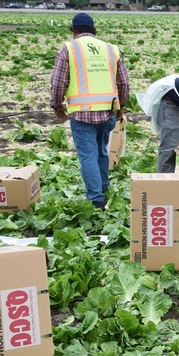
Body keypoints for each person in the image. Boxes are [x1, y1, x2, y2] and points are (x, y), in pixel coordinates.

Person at [49, 13, 130, 210]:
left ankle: (96, 199)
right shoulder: (111, 49)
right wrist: (121, 107)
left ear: (73, 30)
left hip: (82, 114)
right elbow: (124, 82)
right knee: (102, 152)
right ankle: (103, 187)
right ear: (94, 30)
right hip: (107, 111)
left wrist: (57, 106)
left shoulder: (68, 49)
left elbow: (58, 82)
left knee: (88, 156)